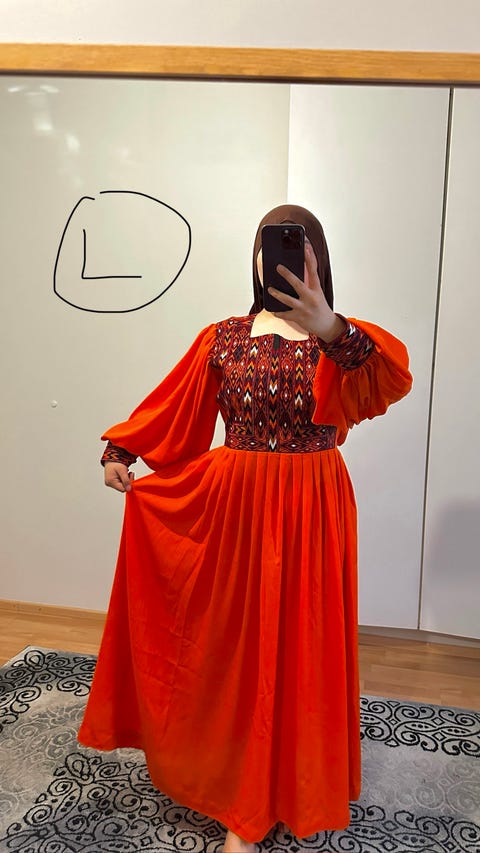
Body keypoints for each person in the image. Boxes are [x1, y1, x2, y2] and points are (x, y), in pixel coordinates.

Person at [78, 205, 412, 852]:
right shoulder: (224, 337)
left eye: (293, 246)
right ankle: (240, 787)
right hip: (234, 505)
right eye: (267, 245)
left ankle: (287, 784)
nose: (277, 258)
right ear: (255, 258)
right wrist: (123, 449)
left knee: (300, 644)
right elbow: (173, 407)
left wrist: (330, 327)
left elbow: (387, 383)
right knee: (233, 645)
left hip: (312, 505)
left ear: (316, 258)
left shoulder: (344, 341)